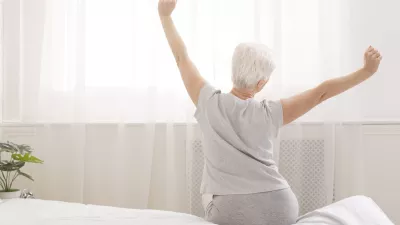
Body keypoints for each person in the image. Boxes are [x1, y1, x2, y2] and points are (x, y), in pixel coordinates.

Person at [158, 0, 382, 225]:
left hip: (230, 210)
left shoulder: (209, 102)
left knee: (208, 193)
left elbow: (181, 58)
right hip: (280, 206)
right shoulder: (272, 112)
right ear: (261, 84)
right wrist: (365, 72)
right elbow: (320, 93)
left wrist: (165, 17)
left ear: (233, 70)